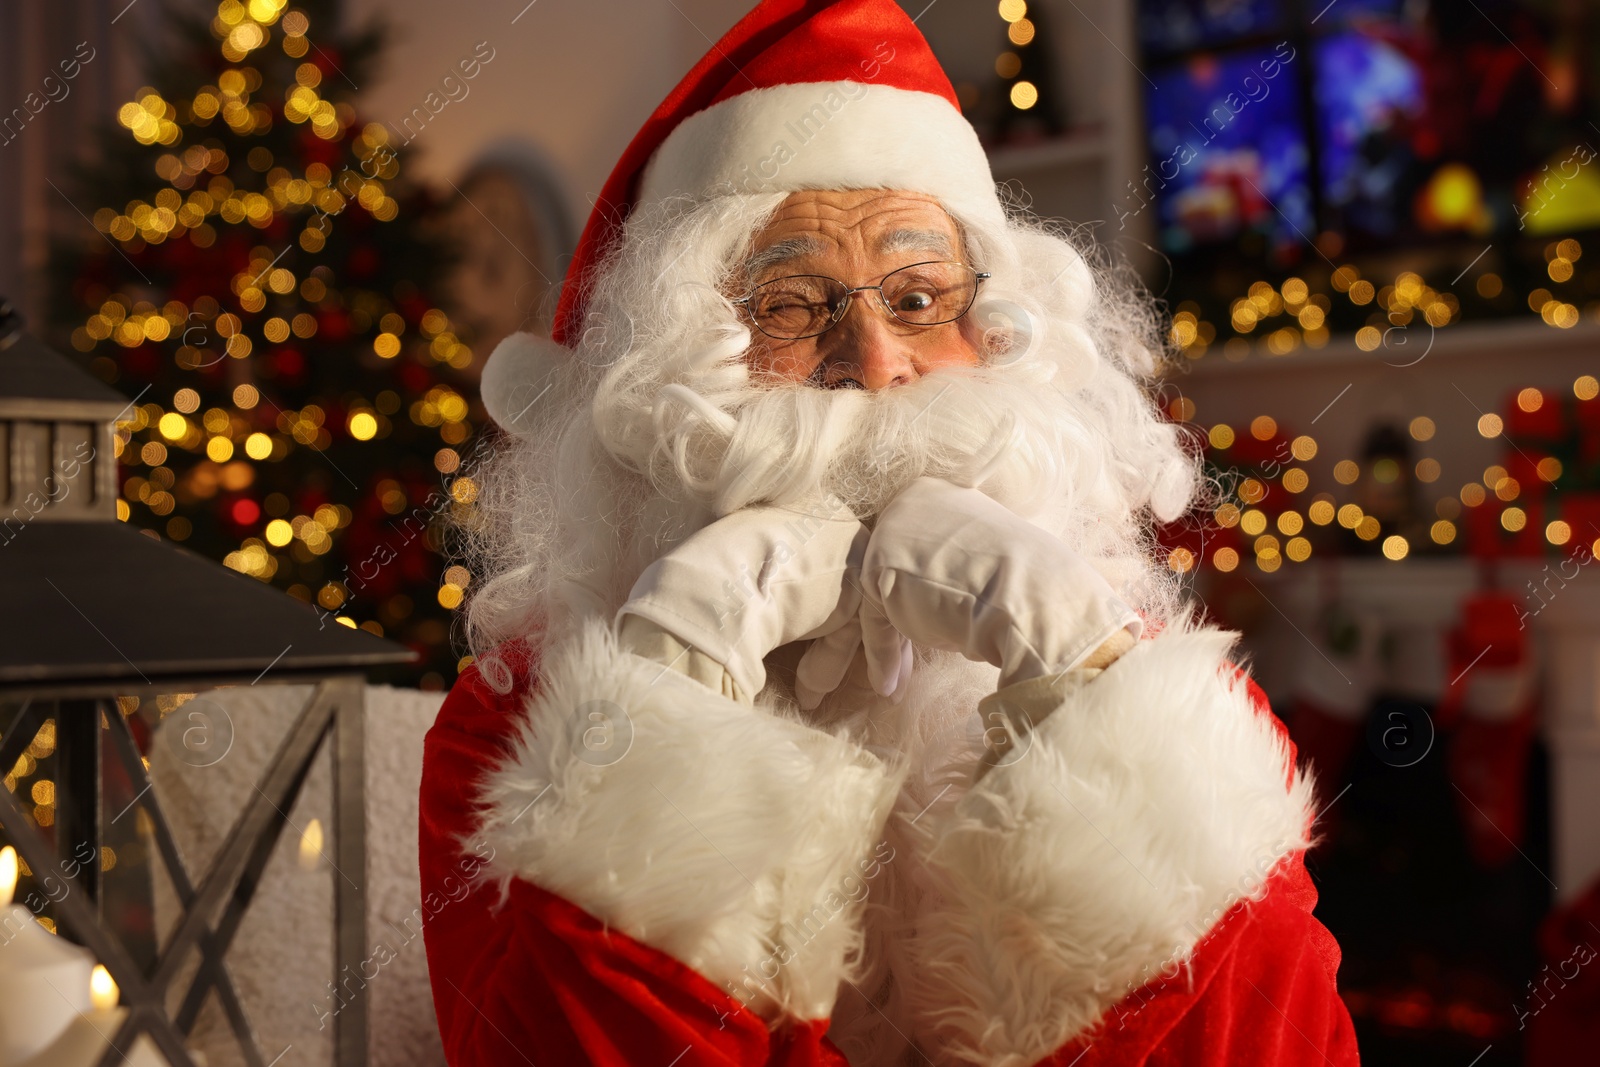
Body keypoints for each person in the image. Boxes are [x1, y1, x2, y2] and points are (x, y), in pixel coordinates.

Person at [418, 2, 1360, 1064]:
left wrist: (1074, 674)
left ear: (1002, 331)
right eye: (792, 302)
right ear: (672, 371)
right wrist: (673, 678)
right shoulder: (512, 718)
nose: (872, 360)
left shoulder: (1157, 689)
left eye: (917, 296)